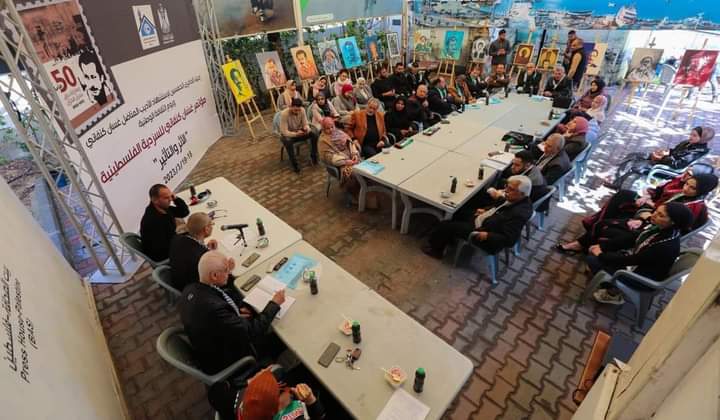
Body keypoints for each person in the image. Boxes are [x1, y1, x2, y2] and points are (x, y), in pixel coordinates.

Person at [179, 250, 286, 375]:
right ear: (214, 275)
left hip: (214, 340)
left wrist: (234, 312)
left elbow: (220, 299)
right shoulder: (215, 310)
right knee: (280, 339)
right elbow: (252, 331)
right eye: (226, 270)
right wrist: (274, 304)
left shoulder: (191, 289)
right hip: (231, 358)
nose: (229, 273)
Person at [557, 173, 717, 254]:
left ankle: (584, 241)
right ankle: (591, 235)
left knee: (607, 219)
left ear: (702, 190)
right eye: (687, 184)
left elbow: (668, 224)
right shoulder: (683, 192)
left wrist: (645, 215)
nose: (686, 188)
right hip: (651, 210)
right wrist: (647, 197)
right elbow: (660, 193)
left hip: (651, 224)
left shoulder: (693, 207)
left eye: (692, 188)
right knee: (624, 194)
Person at [586, 203, 693, 305]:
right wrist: (603, 247)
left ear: (673, 222)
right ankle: (608, 283)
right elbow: (632, 238)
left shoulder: (665, 245)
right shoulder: (662, 228)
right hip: (639, 265)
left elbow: (632, 260)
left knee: (593, 260)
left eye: (661, 215)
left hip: (641, 278)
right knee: (606, 242)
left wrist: (601, 255)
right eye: (656, 211)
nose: (654, 215)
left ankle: (613, 292)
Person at [422, 175, 534, 259]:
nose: (506, 191)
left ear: (522, 193)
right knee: (458, 211)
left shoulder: (519, 214)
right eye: (507, 187)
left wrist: (488, 235)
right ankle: (448, 239)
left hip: (483, 233)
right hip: (485, 220)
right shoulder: (517, 199)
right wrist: (486, 210)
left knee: (446, 225)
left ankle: (436, 251)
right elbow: (501, 205)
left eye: (511, 189)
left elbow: (510, 240)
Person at [604, 127, 715, 189]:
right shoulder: (688, 143)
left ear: (703, 138)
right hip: (663, 160)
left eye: (694, 136)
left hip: (666, 168)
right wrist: (664, 152)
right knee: (633, 155)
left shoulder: (697, 152)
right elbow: (674, 151)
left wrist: (662, 157)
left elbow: (677, 165)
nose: (690, 137)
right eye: (691, 134)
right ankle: (616, 178)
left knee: (636, 166)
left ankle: (617, 184)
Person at [236, 368, 327, 420]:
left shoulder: (243, 398)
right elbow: (320, 416)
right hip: (312, 409)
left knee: (280, 371)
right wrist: (310, 400)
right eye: (279, 391)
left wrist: (256, 380)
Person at [168, 212, 218, 291]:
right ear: (206, 229)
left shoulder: (177, 238)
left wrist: (206, 247)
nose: (212, 227)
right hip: (194, 289)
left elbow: (191, 250)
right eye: (211, 224)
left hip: (178, 280)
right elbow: (215, 276)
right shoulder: (202, 257)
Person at [140, 183, 190, 262]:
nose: (170, 199)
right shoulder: (153, 220)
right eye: (166, 197)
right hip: (162, 255)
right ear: (155, 200)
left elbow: (184, 212)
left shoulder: (162, 207)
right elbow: (164, 246)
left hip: (169, 243)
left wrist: (176, 199)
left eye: (170, 196)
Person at [279, 98, 318, 173]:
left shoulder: (302, 110)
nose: (297, 112)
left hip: (299, 131)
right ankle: (294, 164)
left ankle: (313, 156)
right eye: (295, 110)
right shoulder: (284, 114)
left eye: (298, 110)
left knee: (314, 134)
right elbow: (284, 131)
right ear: (291, 106)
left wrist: (306, 129)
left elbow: (305, 123)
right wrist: (296, 134)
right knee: (288, 141)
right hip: (288, 134)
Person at [318, 117, 360, 187]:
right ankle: (355, 190)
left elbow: (350, 143)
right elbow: (328, 157)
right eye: (328, 128)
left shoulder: (340, 132)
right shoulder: (323, 140)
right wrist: (345, 161)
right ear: (323, 129)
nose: (331, 129)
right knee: (355, 174)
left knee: (364, 170)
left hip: (351, 158)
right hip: (339, 164)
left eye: (332, 127)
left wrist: (354, 154)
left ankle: (365, 187)